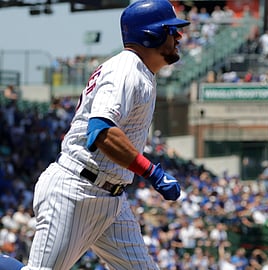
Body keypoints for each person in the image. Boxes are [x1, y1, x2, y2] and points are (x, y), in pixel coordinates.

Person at [24, 1, 190, 269]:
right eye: (172, 30)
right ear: (151, 35)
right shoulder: (126, 68)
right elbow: (101, 130)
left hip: (112, 199)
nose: (178, 36)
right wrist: (152, 173)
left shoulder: (141, 71)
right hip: (76, 189)